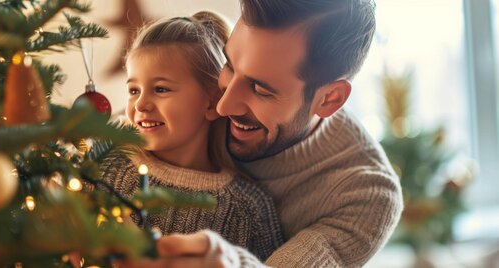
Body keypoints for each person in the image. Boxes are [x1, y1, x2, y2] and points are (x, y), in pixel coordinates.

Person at [118, 0, 404, 267]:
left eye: (261, 90)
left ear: (330, 99)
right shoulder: (205, 99)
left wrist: (230, 261)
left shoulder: (365, 196)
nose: (224, 103)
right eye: (228, 66)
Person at [100, 11, 284, 261]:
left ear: (212, 102)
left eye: (160, 89)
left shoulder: (247, 209)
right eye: (134, 90)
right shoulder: (106, 165)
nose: (140, 104)